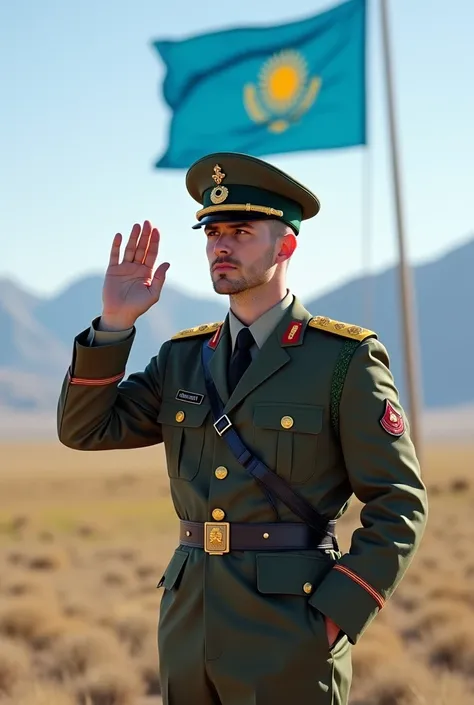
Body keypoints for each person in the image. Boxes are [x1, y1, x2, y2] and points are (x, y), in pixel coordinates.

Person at [57, 151, 428, 705]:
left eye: (241, 231)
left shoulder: (343, 361)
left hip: (291, 625)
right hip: (190, 621)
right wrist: (114, 324)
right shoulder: (183, 358)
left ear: (286, 246)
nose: (220, 246)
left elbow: (400, 503)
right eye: (213, 233)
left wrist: (333, 618)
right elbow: (85, 429)